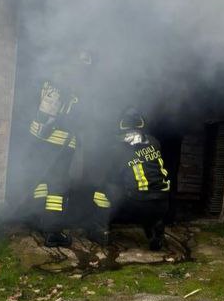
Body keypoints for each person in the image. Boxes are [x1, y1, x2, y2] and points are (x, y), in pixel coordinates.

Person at [26, 50, 93, 247]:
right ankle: (53, 231)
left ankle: (38, 219)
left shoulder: (47, 82)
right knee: (57, 186)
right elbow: (74, 117)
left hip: (37, 138)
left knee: (41, 181)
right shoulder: (71, 87)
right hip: (58, 143)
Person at [95, 107, 171, 251]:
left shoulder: (118, 148)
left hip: (138, 203)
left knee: (104, 188)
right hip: (163, 203)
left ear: (121, 124)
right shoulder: (154, 142)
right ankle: (156, 228)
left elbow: (113, 175)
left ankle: (101, 232)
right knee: (147, 195)